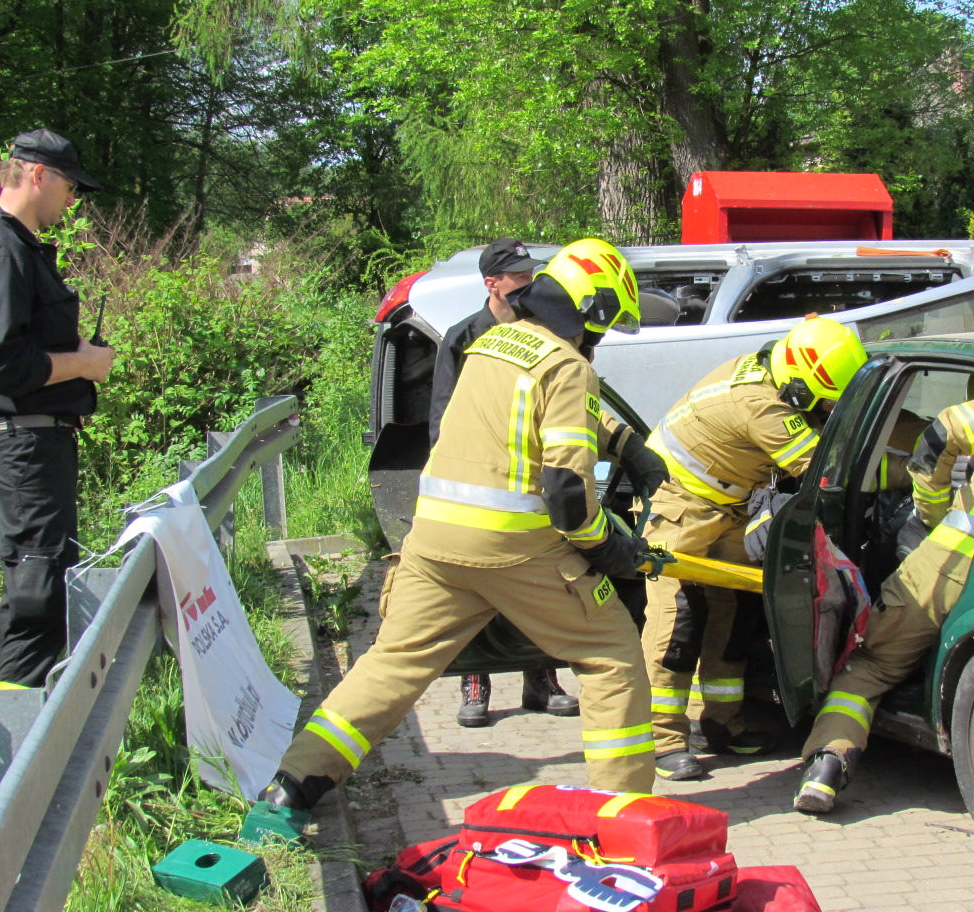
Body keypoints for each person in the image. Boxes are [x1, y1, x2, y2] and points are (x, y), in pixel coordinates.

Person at [250, 238, 664, 820]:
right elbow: (570, 497)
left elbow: (530, 417)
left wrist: (624, 445)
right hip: (514, 548)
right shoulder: (569, 367)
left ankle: (293, 783)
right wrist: (612, 548)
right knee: (611, 655)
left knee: (393, 663)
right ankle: (624, 815)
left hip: (434, 539)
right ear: (591, 313)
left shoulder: (493, 342)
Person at [641, 315, 868, 781]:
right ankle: (661, 740)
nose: (827, 411)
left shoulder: (772, 373)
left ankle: (720, 724)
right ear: (800, 390)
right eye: (824, 403)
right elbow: (827, 472)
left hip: (728, 505)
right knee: (678, 622)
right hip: (679, 507)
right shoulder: (761, 407)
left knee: (733, 613)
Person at [794, 376, 974, 814]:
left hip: (953, 560)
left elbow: (937, 438)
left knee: (870, 665)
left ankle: (827, 766)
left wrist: (931, 512)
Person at [0, 129, 113, 690]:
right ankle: (19, 730)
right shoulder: (1, 248)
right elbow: (0, 364)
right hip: (19, 444)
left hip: (31, 440)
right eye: (70, 186)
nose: (73, 200)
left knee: (47, 579)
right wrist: (83, 363)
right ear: (38, 174)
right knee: (38, 589)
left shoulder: (10, 242)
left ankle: (38, 718)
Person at [429, 238, 581, 727]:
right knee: (477, 587)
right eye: (518, 276)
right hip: (479, 487)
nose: (528, 283)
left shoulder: (546, 328)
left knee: (539, 585)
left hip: (532, 485)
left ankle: (542, 678)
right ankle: (475, 683)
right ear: (492, 284)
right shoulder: (463, 336)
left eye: (531, 274)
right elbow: (443, 417)